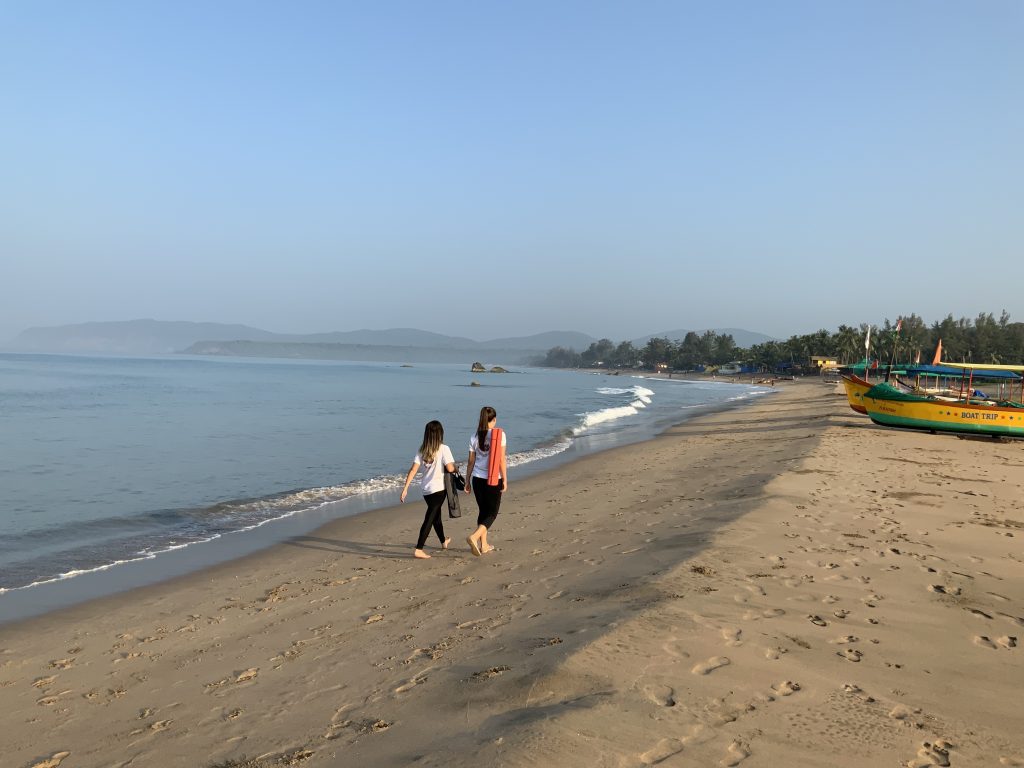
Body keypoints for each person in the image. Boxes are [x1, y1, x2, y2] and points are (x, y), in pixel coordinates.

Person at [400, 420, 456, 559]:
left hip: (426, 489)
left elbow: (413, 469)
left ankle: (443, 541)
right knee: (430, 517)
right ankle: (419, 548)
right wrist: (456, 467)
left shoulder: (422, 450)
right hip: (439, 489)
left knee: (436, 515)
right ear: (440, 434)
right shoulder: (444, 449)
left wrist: (405, 488)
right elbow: (450, 468)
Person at [464, 405, 507, 556]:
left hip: (477, 479)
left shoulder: (474, 436)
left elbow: (470, 461)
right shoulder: (499, 435)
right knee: (492, 513)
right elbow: (501, 459)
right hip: (493, 479)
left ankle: (484, 545)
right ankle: (474, 537)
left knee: (483, 511)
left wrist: (467, 480)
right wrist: (505, 479)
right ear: (493, 419)